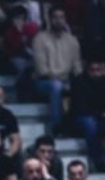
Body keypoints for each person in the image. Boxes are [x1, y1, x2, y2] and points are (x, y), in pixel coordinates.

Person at [32, 6, 82, 134]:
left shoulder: (72, 40)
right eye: (55, 17)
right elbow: (42, 70)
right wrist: (63, 81)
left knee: (82, 85)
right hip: (44, 82)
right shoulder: (40, 39)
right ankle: (56, 126)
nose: (58, 20)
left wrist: (79, 80)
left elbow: (77, 66)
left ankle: (77, 126)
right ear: (49, 19)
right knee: (56, 86)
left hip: (67, 80)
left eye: (61, 17)